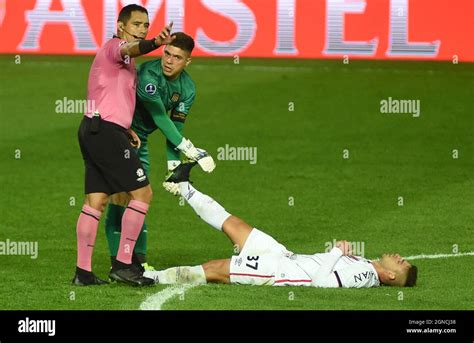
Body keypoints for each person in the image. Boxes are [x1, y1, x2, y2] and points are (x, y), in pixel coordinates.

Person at [145, 162, 418, 288]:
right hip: (284, 255)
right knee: (235, 225)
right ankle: (183, 185)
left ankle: (153, 277)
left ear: (391, 276)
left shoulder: (365, 277)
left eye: (401, 263)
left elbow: (322, 282)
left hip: (277, 271)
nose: (398, 257)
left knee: (216, 269)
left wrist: (336, 253)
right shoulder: (368, 265)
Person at [73, 4, 176, 286]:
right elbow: (130, 49)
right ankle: (123, 264)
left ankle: (83, 273)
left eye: (146, 25)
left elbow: (110, 95)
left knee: (96, 201)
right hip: (104, 132)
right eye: (137, 24)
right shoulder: (114, 47)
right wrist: (155, 42)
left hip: (97, 129)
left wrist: (126, 127)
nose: (142, 28)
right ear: (121, 26)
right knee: (142, 195)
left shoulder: (124, 62)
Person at [104, 32, 214, 271]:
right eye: (167, 53)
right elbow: (159, 117)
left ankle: (139, 262)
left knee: (140, 200)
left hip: (139, 140)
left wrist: (174, 168)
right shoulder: (148, 75)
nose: (169, 60)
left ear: (187, 62)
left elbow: (175, 127)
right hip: (117, 135)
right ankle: (119, 264)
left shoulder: (187, 88)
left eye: (177, 57)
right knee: (121, 197)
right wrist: (188, 148)